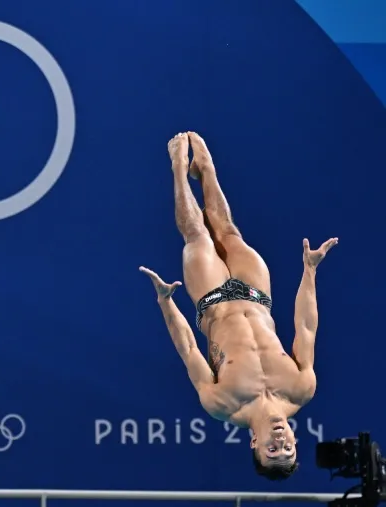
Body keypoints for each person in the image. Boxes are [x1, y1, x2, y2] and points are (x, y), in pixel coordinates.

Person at [139, 131, 337, 480]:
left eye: (271, 451)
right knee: (229, 232)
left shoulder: (223, 404)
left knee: (198, 235)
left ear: (253, 443)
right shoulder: (302, 388)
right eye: (287, 448)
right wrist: (309, 271)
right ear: (294, 438)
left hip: (213, 302)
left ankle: (177, 169)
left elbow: (188, 351)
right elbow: (306, 327)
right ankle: (208, 170)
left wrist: (165, 303)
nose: (280, 442)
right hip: (256, 296)